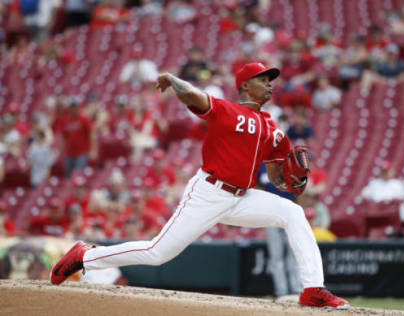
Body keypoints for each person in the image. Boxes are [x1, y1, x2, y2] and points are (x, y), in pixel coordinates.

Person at [50, 62, 349, 309]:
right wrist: (173, 80)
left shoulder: (274, 131)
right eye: (262, 79)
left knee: (292, 213)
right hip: (208, 192)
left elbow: (275, 178)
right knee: (158, 253)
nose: (270, 84)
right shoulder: (227, 111)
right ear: (245, 85)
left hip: (241, 197)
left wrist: (292, 181)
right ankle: (85, 256)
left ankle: (313, 289)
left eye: (271, 80)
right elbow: (194, 96)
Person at [257, 163, 302, 298]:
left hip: (290, 213)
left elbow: (299, 189)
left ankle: (296, 289)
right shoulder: (261, 166)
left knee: (293, 254)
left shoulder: (289, 163)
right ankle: (281, 291)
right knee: (276, 256)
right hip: (271, 214)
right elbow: (258, 188)